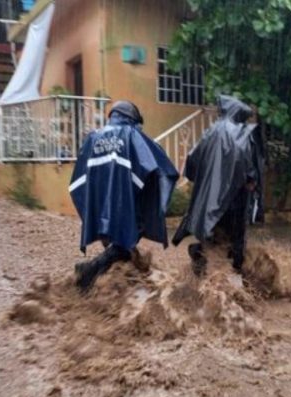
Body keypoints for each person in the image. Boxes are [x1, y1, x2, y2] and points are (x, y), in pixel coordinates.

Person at [69, 101, 179, 293]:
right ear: (132, 119)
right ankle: (88, 272)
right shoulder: (131, 135)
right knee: (122, 247)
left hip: (99, 208)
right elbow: (162, 167)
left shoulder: (92, 138)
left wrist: (92, 211)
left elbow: (77, 182)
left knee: (121, 252)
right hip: (123, 206)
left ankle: (110, 293)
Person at [172, 95, 262, 275]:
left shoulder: (210, 132)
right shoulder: (244, 133)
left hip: (210, 199)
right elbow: (250, 168)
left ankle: (204, 275)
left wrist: (203, 182)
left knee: (213, 235)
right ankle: (234, 285)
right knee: (235, 240)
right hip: (235, 199)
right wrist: (251, 182)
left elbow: (191, 162)